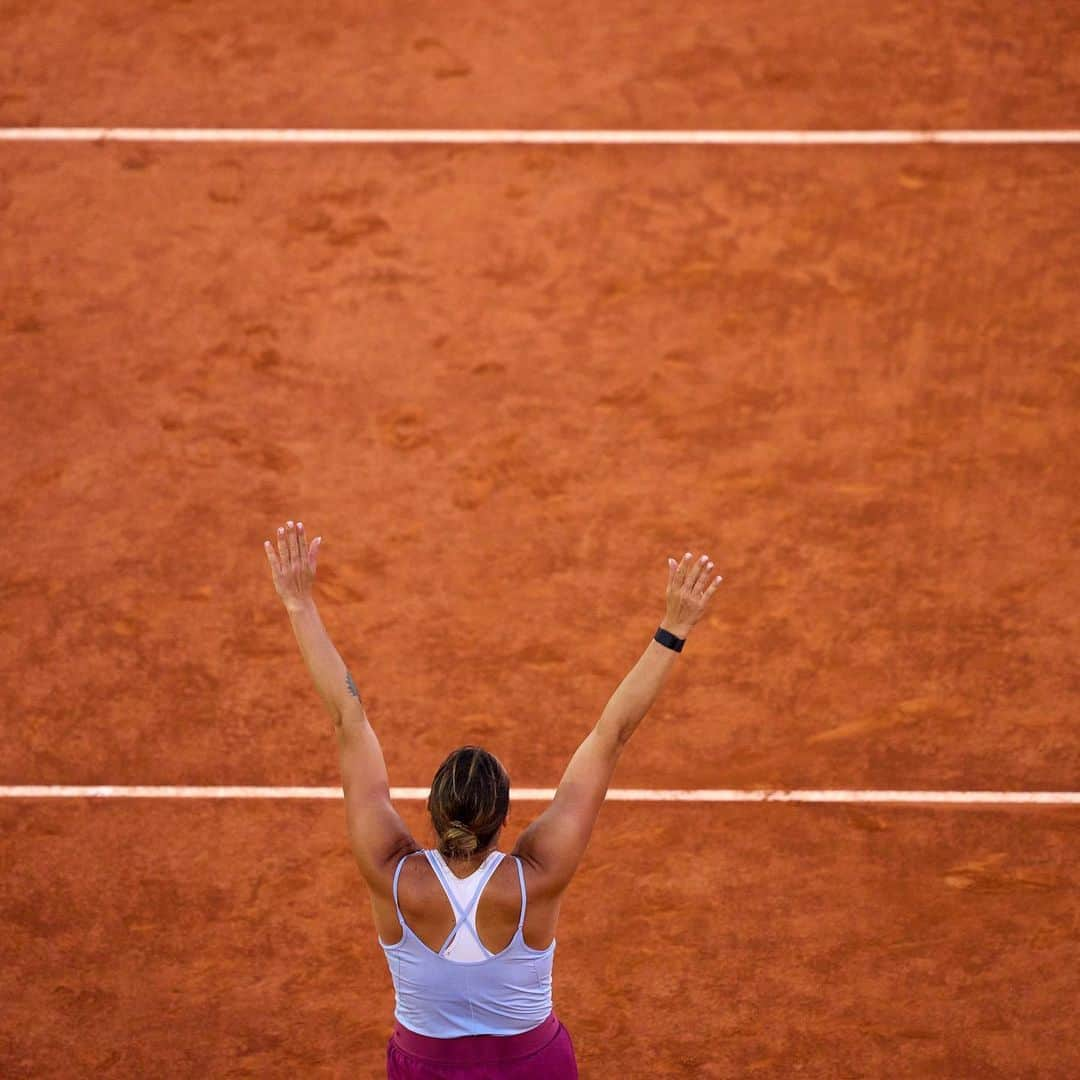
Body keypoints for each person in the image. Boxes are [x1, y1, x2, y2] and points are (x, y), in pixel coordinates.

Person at [265, 520, 723, 1078]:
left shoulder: (390, 871)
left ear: (432, 810)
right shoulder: (537, 876)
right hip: (533, 1066)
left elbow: (347, 718)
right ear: (505, 818)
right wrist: (672, 629)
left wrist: (298, 604)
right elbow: (611, 735)